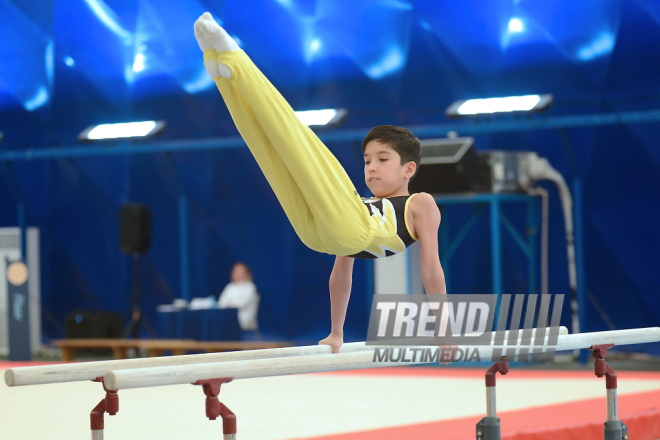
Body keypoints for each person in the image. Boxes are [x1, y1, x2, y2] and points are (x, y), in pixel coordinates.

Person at [194, 13, 446, 353]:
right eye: (368, 160)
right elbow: (342, 276)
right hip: (322, 235)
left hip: (352, 231)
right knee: (272, 153)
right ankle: (221, 70)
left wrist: (444, 332)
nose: (371, 168)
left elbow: (430, 268)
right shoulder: (359, 202)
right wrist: (337, 332)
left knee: (298, 140)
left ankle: (234, 59)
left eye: (383, 160)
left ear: (409, 169)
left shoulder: (421, 204)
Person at [218, 262, 260, 331]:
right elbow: (221, 303)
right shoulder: (230, 287)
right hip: (227, 320)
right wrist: (229, 304)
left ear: (247, 274)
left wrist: (229, 303)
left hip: (244, 322)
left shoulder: (250, 287)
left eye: (241, 273)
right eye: (236, 273)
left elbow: (241, 304)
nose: (239, 275)